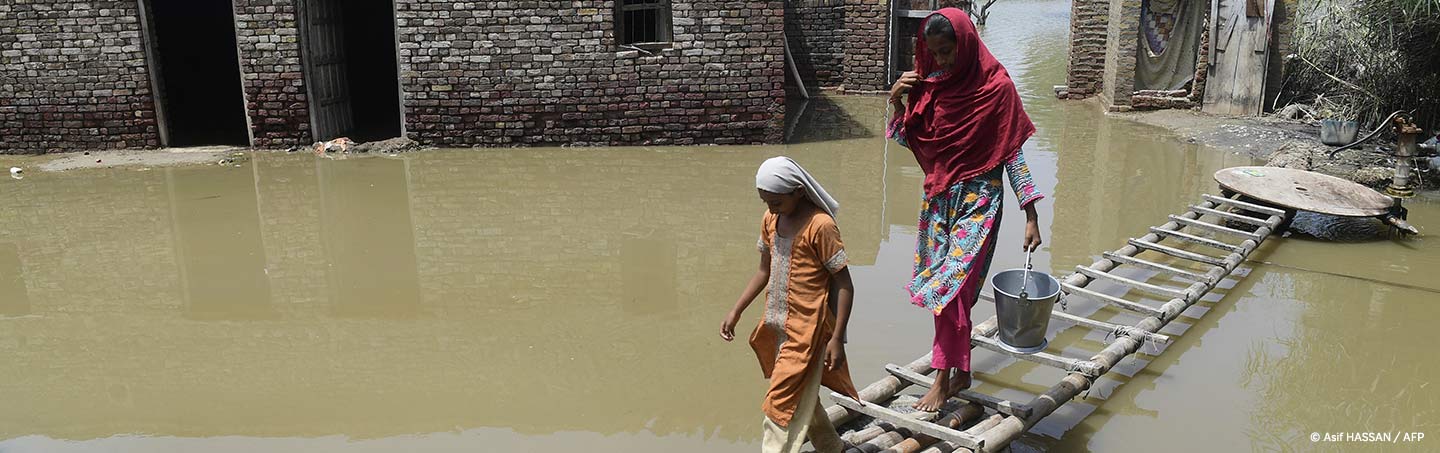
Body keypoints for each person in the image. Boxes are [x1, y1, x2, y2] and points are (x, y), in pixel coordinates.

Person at [887, 9, 1046, 412]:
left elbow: (1013, 156)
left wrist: (1031, 215)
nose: (941, 61)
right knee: (946, 290)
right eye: (934, 52)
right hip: (938, 202)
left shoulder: (997, 88)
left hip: (979, 202)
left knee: (951, 288)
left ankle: (942, 379)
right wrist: (896, 102)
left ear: (967, 43)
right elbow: (914, 142)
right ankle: (961, 371)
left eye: (948, 51)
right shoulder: (932, 86)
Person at [721, 156, 861, 453]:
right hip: (776, 326)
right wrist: (737, 310)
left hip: (808, 332)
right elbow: (764, 270)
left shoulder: (820, 226)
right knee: (802, 396)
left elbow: (844, 283)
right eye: (766, 202)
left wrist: (837, 339)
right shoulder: (771, 220)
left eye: (776, 202)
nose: (771, 208)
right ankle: (832, 447)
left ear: (798, 191)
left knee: (779, 405)